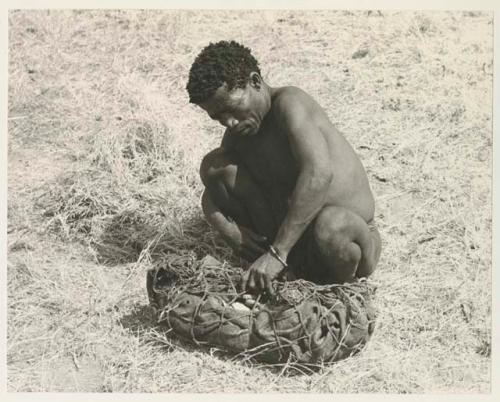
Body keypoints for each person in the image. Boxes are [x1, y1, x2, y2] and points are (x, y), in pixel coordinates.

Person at [186, 40, 381, 296]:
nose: (229, 122)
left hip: (347, 237)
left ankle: (335, 290)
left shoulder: (290, 104)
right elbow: (212, 193)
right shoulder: (242, 131)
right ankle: (289, 273)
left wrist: (277, 254)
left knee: (332, 225)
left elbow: (318, 175)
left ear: (255, 82)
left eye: (231, 109)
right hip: (294, 244)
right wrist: (229, 230)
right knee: (214, 166)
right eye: (217, 117)